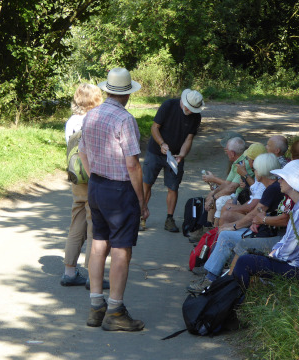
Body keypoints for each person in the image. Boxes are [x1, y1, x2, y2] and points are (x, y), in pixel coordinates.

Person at [79, 68, 149, 331]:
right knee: (121, 249)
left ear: (107, 90)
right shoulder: (125, 120)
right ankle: (116, 311)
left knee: (98, 242)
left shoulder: (91, 115)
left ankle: (96, 306)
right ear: (127, 94)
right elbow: (132, 165)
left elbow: (82, 153)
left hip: (96, 185)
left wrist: (94, 175)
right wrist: (141, 201)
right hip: (119, 190)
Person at [187, 153, 282, 293]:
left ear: (261, 172)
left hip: (268, 236)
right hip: (266, 231)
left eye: (255, 169)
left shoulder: (272, 190)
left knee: (226, 235)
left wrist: (234, 226)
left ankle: (210, 279)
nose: (254, 172)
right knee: (226, 232)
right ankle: (213, 273)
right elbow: (255, 213)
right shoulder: (273, 187)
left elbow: (253, 214)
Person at [232, 160, 299, 292]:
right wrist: (273, 253)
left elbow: (292, 247)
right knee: (250, 257)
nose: (279, 181)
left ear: (292, 182)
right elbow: (288, 240)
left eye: (282, 178)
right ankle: (232, 295)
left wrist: (272, 256)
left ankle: (235, 300)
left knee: (245, 261)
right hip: (298, 263)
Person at [141, 89, 204, 232]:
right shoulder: (168, 105)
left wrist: (182, 155)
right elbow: (155, 127)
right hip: (155, 152)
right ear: (183, 101)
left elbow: (189, 139)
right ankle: (141, 215)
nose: (189, 110)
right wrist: (162, 143)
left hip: (175, 156)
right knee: (147, 184)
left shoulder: (196, 117)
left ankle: (169, 219)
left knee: (173, 187)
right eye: (188, 107)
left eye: (193, 109)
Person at [60, 83, 104, 287]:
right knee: (94, 223)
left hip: (76, 176)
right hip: (93, 174)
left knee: (77, 220)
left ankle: (69, 272)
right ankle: (93, 276)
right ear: (95, 99)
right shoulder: (94, 118)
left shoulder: (71, 121)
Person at [204, 137, 253, 224]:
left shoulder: (242, 163)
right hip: (237, 195)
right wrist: (213, 194)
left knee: (219, 200)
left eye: (227, 151)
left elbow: (232, 188)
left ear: (233, 153)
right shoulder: (236, 162)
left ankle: (214, 230)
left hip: (242, 197)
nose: (226, 153)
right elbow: (227, 183)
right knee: (214, 195)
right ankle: (208, 227)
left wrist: (214, 197)